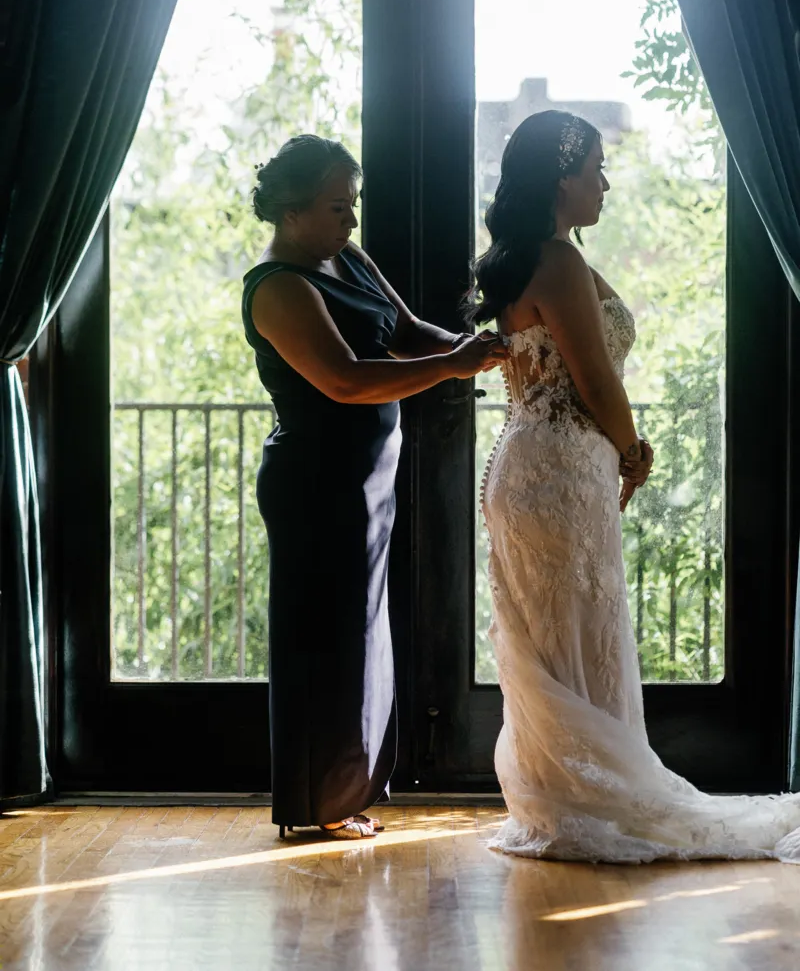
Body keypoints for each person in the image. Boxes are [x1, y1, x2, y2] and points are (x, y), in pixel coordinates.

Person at [470, 109, 800, 863]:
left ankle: (565, 795)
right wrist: (634, 450)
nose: (606, 184)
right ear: (562, 179)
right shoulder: (557, 262)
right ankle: (588, 800)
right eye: (596, 170)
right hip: (561, 467)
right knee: (577, 628)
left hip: (527, 462)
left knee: (556, 636)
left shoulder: (524, 257)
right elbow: (596, 379)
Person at [242, 134, 507, 841]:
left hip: (367, 483)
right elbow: (346, 378)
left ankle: (342, 795)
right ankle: (312, 806)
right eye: (338, 207)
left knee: (361, 636)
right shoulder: (279, 287)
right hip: (317, 482)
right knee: (322, 642)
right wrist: (453, 370)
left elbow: (407, 331)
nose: (351, 222)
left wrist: (468, 347)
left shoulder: (346, 259)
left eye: (352, 205)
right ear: (292, 212)